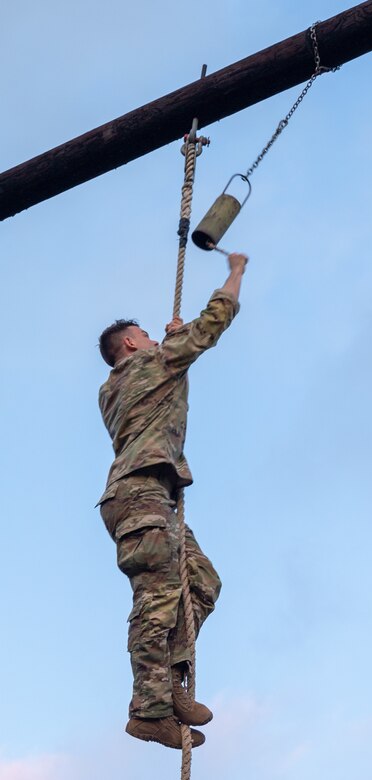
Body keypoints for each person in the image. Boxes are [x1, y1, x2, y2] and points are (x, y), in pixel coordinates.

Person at [97, 252, 248, 749]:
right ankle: (149, 709)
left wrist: (169, 346)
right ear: (131, 343)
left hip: (146, 497)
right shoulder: (153, 364)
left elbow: (169, 371)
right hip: (140, 496)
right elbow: (209, 327)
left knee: (200, 583)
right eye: (145, 335)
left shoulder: (114, 388)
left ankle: (170, 680)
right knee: (157, 601)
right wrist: (235, 273)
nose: (152, 339)